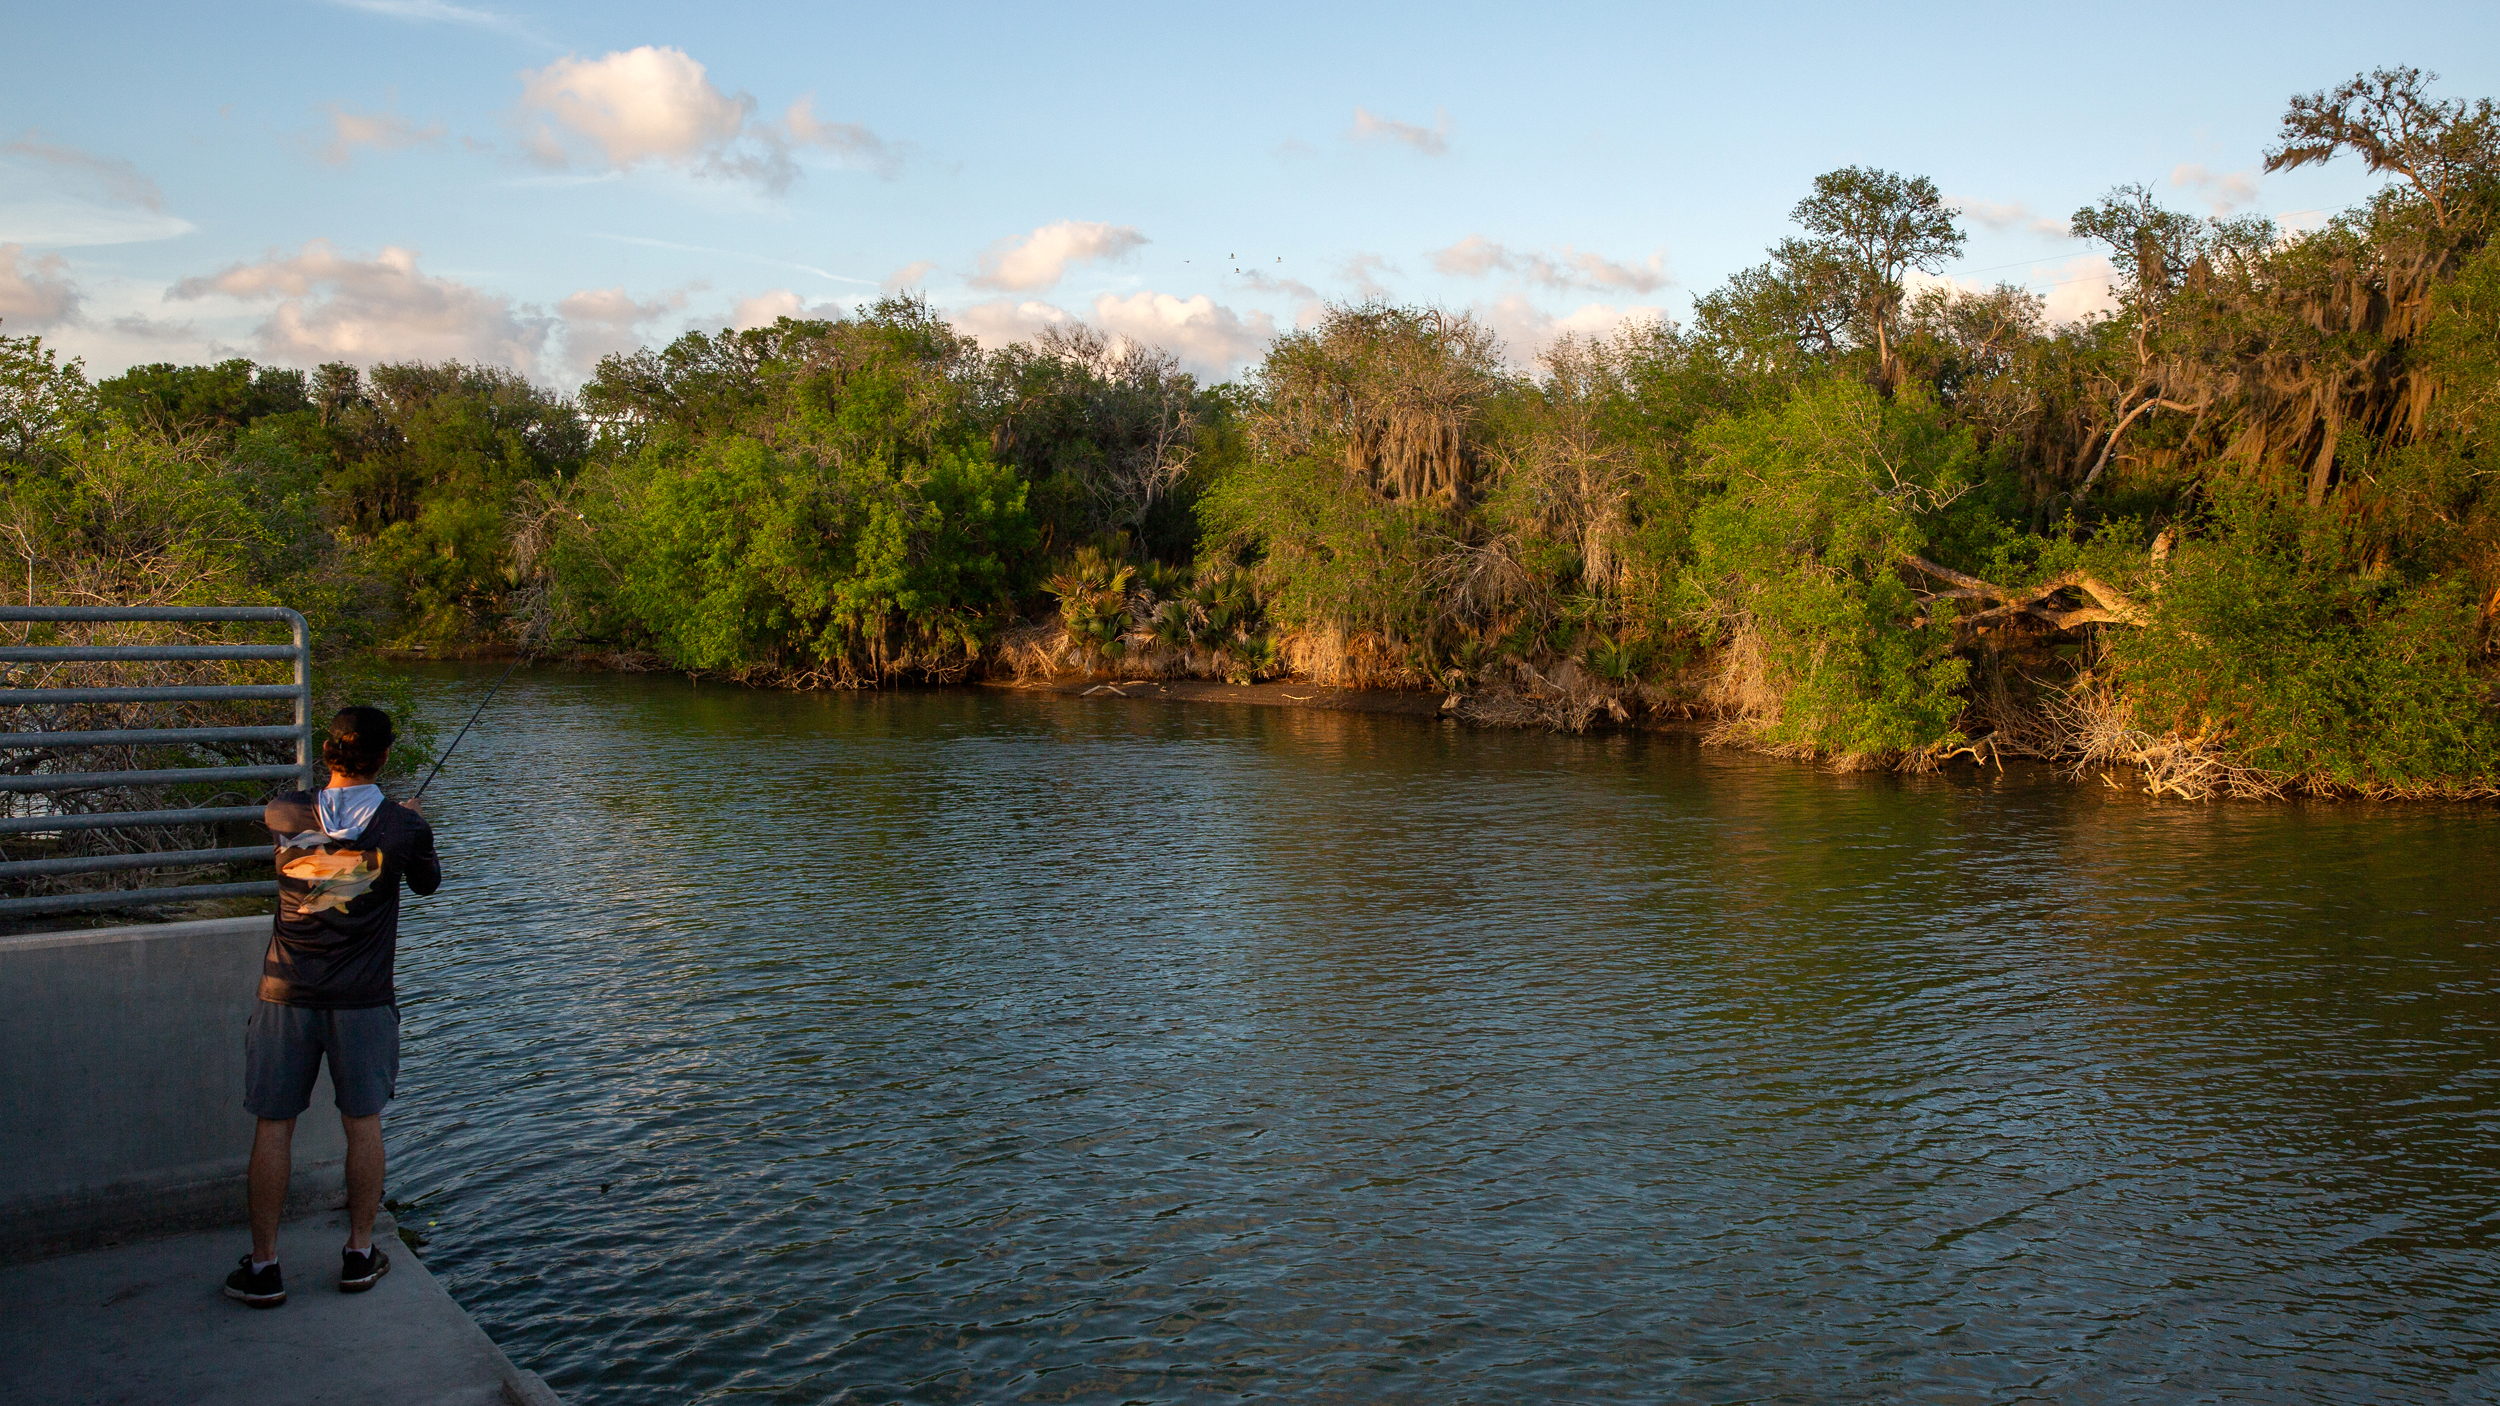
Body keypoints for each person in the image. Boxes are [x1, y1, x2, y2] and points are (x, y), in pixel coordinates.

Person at [223, 705, 441, 1308]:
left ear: (326, 752)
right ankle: (357, 1254)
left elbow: (322, 832)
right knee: (362, 1124)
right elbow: (427, 884)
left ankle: (265, 1266)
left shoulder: (284, 812)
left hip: (283, 994)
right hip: (363, 1002)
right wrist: (412, 824)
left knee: (274, 1125)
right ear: (387, 757)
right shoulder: (403, 828)